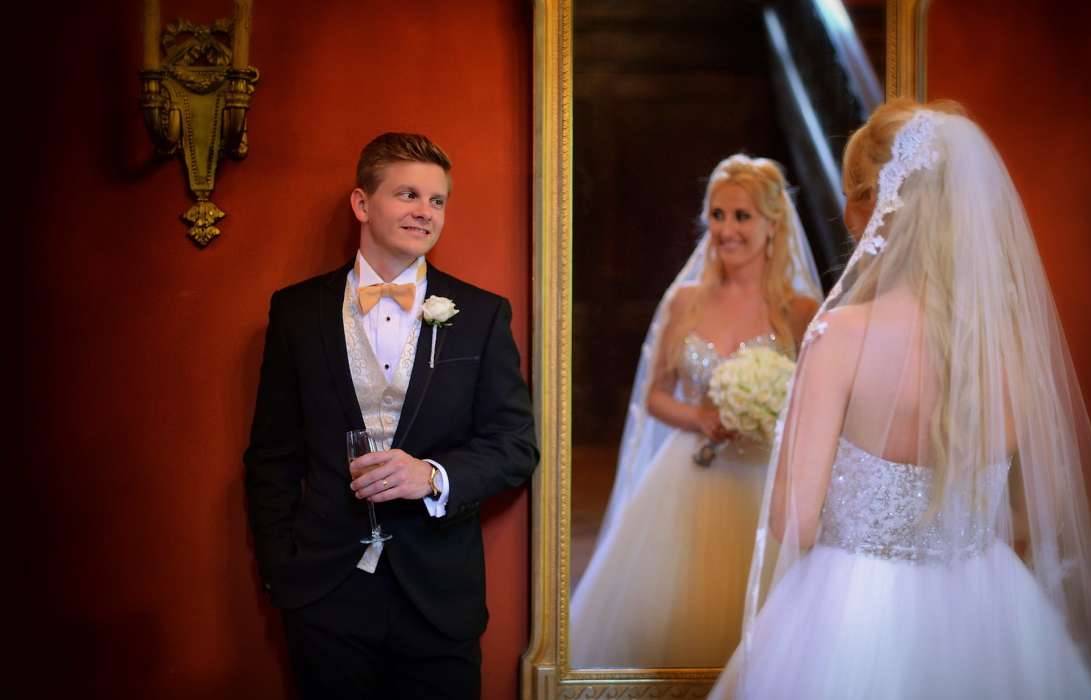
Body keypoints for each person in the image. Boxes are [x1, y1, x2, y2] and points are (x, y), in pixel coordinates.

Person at [709, 100, 1091, 698]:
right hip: (989, 606)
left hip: (852, 609)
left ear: (874, 206)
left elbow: (795, 520)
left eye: (851, 195)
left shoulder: (839, 337)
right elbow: (1029, 511)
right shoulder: (1008, 344)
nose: (846, 213)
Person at [243, 132, 538, 700]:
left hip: (438, 597)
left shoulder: (481, 314)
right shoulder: (297, 311)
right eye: (408, 195)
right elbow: (271, 457)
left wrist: (432, 476)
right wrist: (283, 571)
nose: (425, 212)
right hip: (324, 595)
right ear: (362, 203)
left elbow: (515, 445)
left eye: (437, 200)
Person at [570, 155, 820, 668]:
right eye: (717, 215)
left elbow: (816, 408)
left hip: (762, 482)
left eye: (742, 216)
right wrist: (700, 418)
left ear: (773, 224)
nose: (726, 230)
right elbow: (655, 396)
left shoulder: (800, 312)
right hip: (687, 473)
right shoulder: (685, 301)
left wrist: (766, 418)